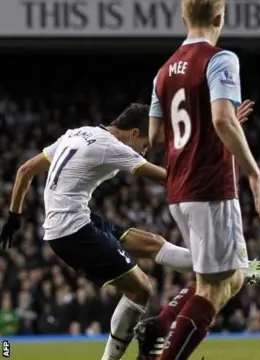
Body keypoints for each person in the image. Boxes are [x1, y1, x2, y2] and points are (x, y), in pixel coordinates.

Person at [137, 0, 260, 358]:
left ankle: (160, 324)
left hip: (179, 189)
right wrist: (254, 173)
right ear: (220, 17)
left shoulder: (163, 72)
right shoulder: (221, 59)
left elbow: (154, 138)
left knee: (233, 274)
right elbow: (222, 120)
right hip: (211, 186)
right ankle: (165, 345)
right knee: (212, 290)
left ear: (183, 17)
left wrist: (206, 125)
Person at [0, 103, 166, 360]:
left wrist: (14, 216)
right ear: (133, 133)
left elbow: (25, 170)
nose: (144, 152)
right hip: (74, 230)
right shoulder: (112, 146)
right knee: (141, 289)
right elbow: (166, 178)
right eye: (145, 145)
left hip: (65, 227)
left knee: (153, 244)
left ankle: (235, 269)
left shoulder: (75, 134)